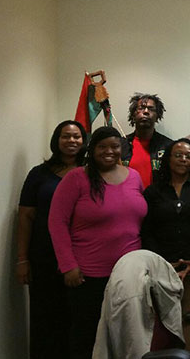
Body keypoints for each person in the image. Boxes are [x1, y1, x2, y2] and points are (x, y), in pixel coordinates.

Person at [48, 126, 147, 359]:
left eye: (114, 146)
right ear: (92, 150)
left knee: (127, 334)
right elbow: (56, 222)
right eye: (102, 146)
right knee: (88, 336)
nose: (109, 151)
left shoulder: (134, 176)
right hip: (88, 276)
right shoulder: (76, 178)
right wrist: (68, 265)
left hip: (128, 274)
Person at [16, 120, 86, 359]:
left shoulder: (91, 173)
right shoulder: (39, 174)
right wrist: (22, 259)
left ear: (84, 142)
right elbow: (26, 216)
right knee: (45, 317)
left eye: (77, 137)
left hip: (81, 257)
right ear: (57, 140)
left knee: (76, 318)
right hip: (44, 255)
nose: (72, 141)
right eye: (66, 136)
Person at [141, 138, 190, 353]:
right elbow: (146, 231)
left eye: (189, 156)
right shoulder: (153, 192)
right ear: (168, 159)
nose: (183, 160)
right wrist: (163, 263)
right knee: (162, 312)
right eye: (178, 155)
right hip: (163, 264)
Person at [122, 93, 172, 187]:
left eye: (151, 109)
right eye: (141, 108)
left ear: (157, 116)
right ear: (133, 114)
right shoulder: (121, 145)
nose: (146, 111)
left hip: (157, 200)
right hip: (127, 199)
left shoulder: (168, 146)